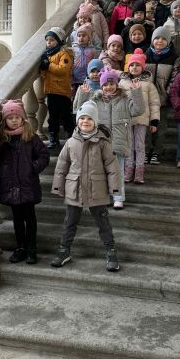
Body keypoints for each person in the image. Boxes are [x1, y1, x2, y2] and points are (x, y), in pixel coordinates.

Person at [50, 100, 121, 272]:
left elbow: (112, 167)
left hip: (97, 190)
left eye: (89, 118)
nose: (85, 122)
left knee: (103, 223)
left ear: (95, 121)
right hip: (75, 189)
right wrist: (58, 187)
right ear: (77, 121)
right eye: (82, 118)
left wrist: (114, 189)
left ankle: (111, 251)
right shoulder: (70, 142)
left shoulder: (103, 143)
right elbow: (62, 166)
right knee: (69, 222)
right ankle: (64, 250)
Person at [0, 99, 50, 264]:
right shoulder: (1, 139)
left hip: (27, 185)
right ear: (5, 120)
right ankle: (20, 248)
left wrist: (32, 167)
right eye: (10, 118)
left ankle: (31, 249)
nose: (14, 120)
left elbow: (44, 155)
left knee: (30, 218)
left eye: (17, 117)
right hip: (10, 185)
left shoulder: (30, 136)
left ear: (23, 118)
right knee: (17, 219)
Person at [78, 68, 144, 210]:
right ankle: (105, 197)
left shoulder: (125, 99)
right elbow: (81, 110)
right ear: (101, 86)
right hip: (100, 143)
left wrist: (136, 92)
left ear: (116, 84)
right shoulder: (96, 100)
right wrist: (84, 94)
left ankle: (118, 198)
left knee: (117, 172)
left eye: (112, 84)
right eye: (105, 85)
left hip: (118, 143)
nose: (109, 87)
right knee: (101, 172)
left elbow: (138, 110)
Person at [118, 48, 160, 184]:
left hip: (142, 119)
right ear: (128, 67)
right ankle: (128, 170)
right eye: (132, 65)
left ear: (143, 68)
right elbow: (117, 101)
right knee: (129, 146)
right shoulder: (122, 83)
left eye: (137, 65)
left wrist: (154, 121)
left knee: (140, 146)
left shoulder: (148, 84)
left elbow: (154, 103)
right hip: (126, 119)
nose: (134, 67)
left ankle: (139, 173)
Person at [144, 27, 176, 165]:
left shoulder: (174, 58)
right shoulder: (145, 56)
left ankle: (157, 151)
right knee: (146, 127)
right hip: (146, 99)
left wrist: (167, 93)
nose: (160, 41)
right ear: (152, 40)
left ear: (168, 41)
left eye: (163, 39)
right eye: (157, 38)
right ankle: (146, 151)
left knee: (160, 128)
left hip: (163, 100)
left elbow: (174, 78)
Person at [39, 26, 75, 150]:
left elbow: (62, 70)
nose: (49, 42)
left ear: (58, 41)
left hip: (62, 91)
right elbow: (44, 74)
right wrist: (43, 67)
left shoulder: (63, 53)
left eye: (52, 40)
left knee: (66, 115)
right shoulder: (47, 54)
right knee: (53, 117)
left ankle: (71, 135)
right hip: (51, 91)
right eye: (47, 40)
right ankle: (53, 138)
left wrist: (48, 65)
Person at [71, 24, 97, 97]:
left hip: (87, 78)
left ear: (89, 38)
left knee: (85, 96)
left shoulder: (92, 50)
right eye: (79, 36)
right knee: (75, 96)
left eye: (84, 36)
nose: (81, 38)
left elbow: (94, 64)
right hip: (75, 78)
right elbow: (70, 63)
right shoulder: (73, 49)